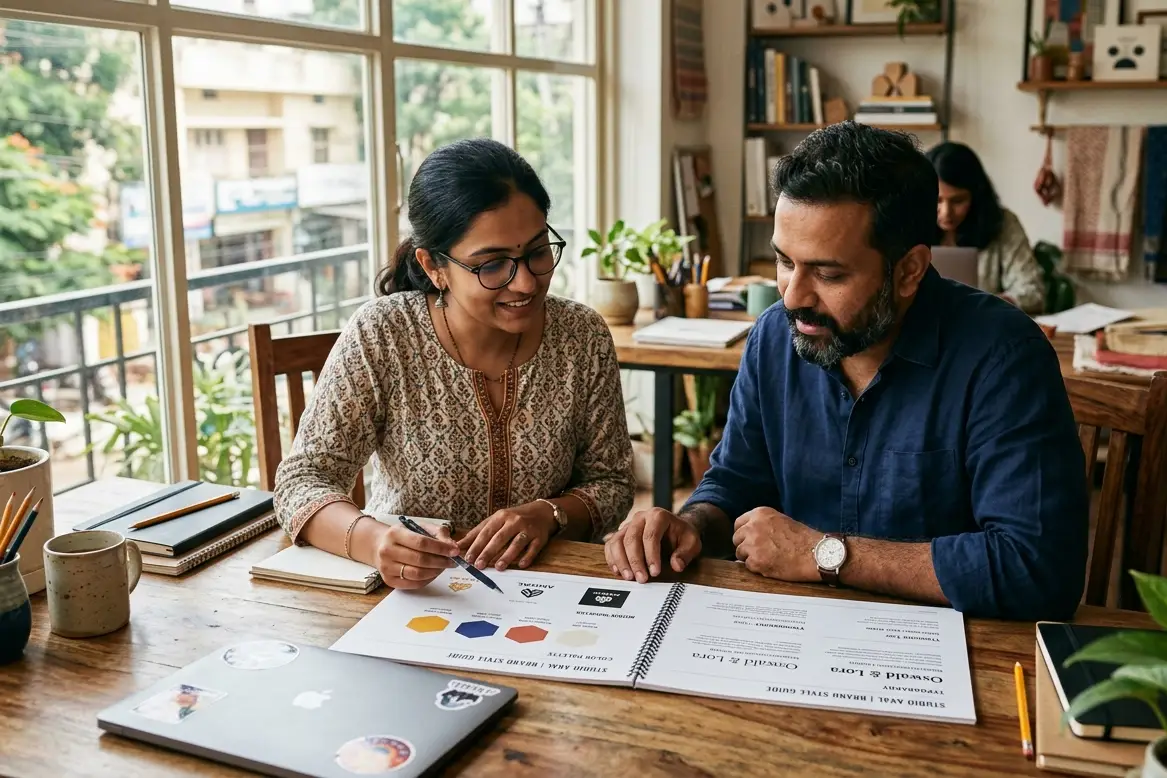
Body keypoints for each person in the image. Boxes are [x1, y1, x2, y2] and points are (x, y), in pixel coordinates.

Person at [605, 123, 1088, 621]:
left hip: (950, 658)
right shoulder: (774, 337)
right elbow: (737, 481)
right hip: (788, 634)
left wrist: (823, 554)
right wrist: (691, 525)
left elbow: (1037, 569)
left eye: (828, 274)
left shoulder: (1004, 357)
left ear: (909, 271)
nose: (792, 297)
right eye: (784, 261)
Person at [275, 138, 635, 590]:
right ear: (433, 266)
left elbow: (614, 481)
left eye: (538, 251)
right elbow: (302, 481)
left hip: (553, 592)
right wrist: (376, 541)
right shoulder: (385, 335)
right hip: (417, 596)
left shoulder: (581, 335)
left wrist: (550, 515)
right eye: (493, 264)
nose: (525, 281)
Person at [926, 141, 1046, 314]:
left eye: (958, 201)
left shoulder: (1003, 223)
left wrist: (988, 302)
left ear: (976, 196)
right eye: (937, 200)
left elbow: (1032, 291)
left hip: (984, 328)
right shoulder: (908, 223)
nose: (946, 213)